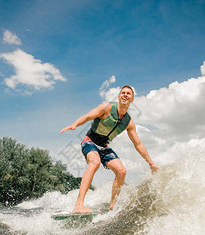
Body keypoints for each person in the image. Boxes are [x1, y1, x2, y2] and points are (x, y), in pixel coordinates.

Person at [61, 85, 160, 213]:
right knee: (95, 162)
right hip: (90, 141)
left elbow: (138, 144)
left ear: (132, 99)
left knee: (121, 171)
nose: (125, 95)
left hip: (104, 147)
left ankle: (112, 206)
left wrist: (151, 163)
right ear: (119, 96)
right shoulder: (107, 108)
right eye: (122, 93)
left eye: (128, 94)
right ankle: (79, 205)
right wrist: (74, 124)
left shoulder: (128, 122)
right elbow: (87, 116)